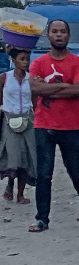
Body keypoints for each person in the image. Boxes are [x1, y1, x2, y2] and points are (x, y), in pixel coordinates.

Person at [28, 19, 79, 232]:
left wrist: (50, 88)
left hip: (71, 124)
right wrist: (64, 86)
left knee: (75, 170)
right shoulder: (38, 62)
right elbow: (35, 88)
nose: (59, 35)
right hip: (44, 123)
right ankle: (42, 219)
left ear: (68, 36)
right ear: (48, 35)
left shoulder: (77, 63)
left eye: (63, 31)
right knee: (44, 173)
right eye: (55, 31)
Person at [0, 47, 37, 205]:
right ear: (13, 60)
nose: (26, 62)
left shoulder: (32, 79)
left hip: (28, 122)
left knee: (26, 159)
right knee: (13, 158)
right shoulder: (4, 78)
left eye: (27, 59)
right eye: (22, 59)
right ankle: (10, 185)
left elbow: (35, 102)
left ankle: (20, 194)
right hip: (9, 121)